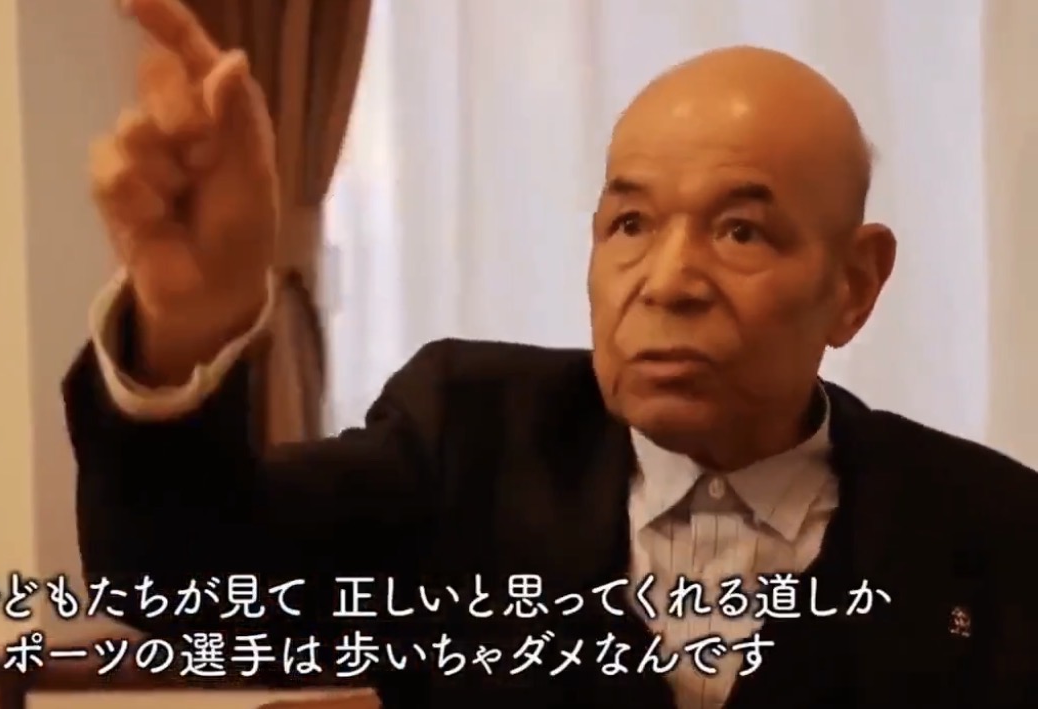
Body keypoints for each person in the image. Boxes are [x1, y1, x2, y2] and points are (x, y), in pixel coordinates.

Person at [68, 0, 1038, 707]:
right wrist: (188, 324)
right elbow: (182, 581)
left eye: (740, 231)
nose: (667, 280)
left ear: (854, 283)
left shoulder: (992, 529)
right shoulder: (465, 441)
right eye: (630, 224)